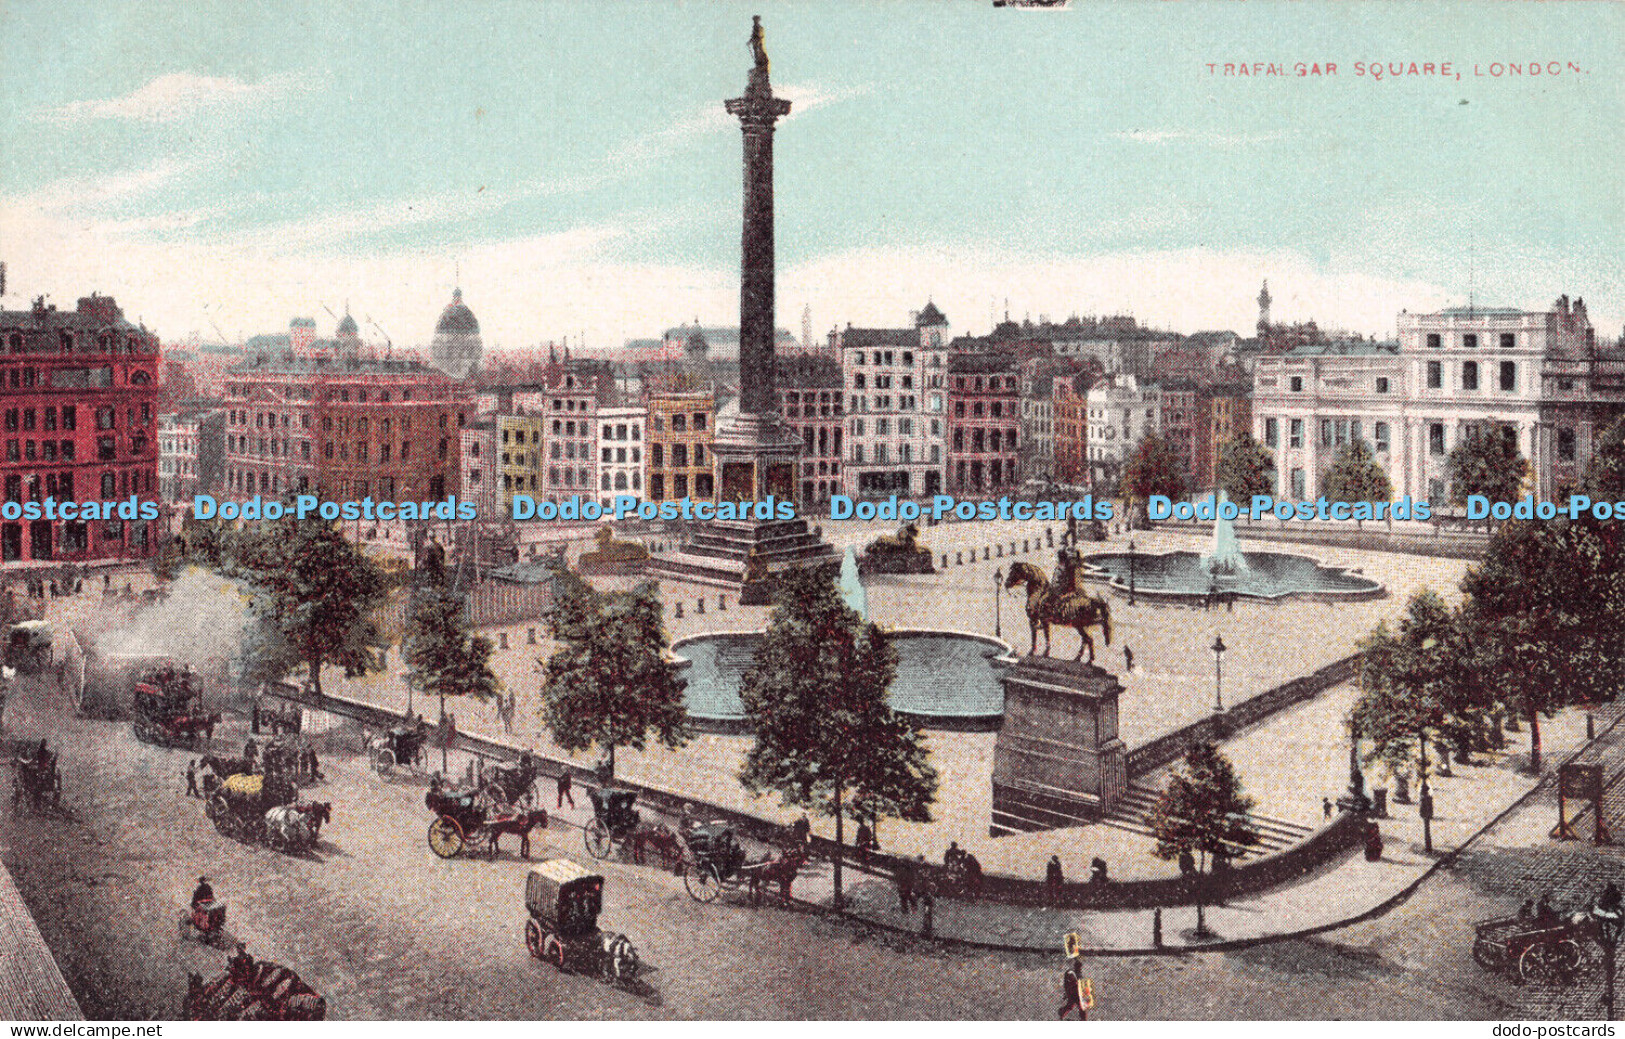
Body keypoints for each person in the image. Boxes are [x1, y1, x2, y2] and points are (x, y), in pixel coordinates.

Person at [1058, 955, 1090, 1020]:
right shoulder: (1071, 974)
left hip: (1077, 993)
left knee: (1078, 1007)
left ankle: (1062, 1014)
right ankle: (1062, 1014)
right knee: (1073, 1006)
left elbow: (1081, 984)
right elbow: (1069, 984)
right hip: (1073, 993)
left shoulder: (1077, 974)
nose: (1080, 968)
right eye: (1079, 967)